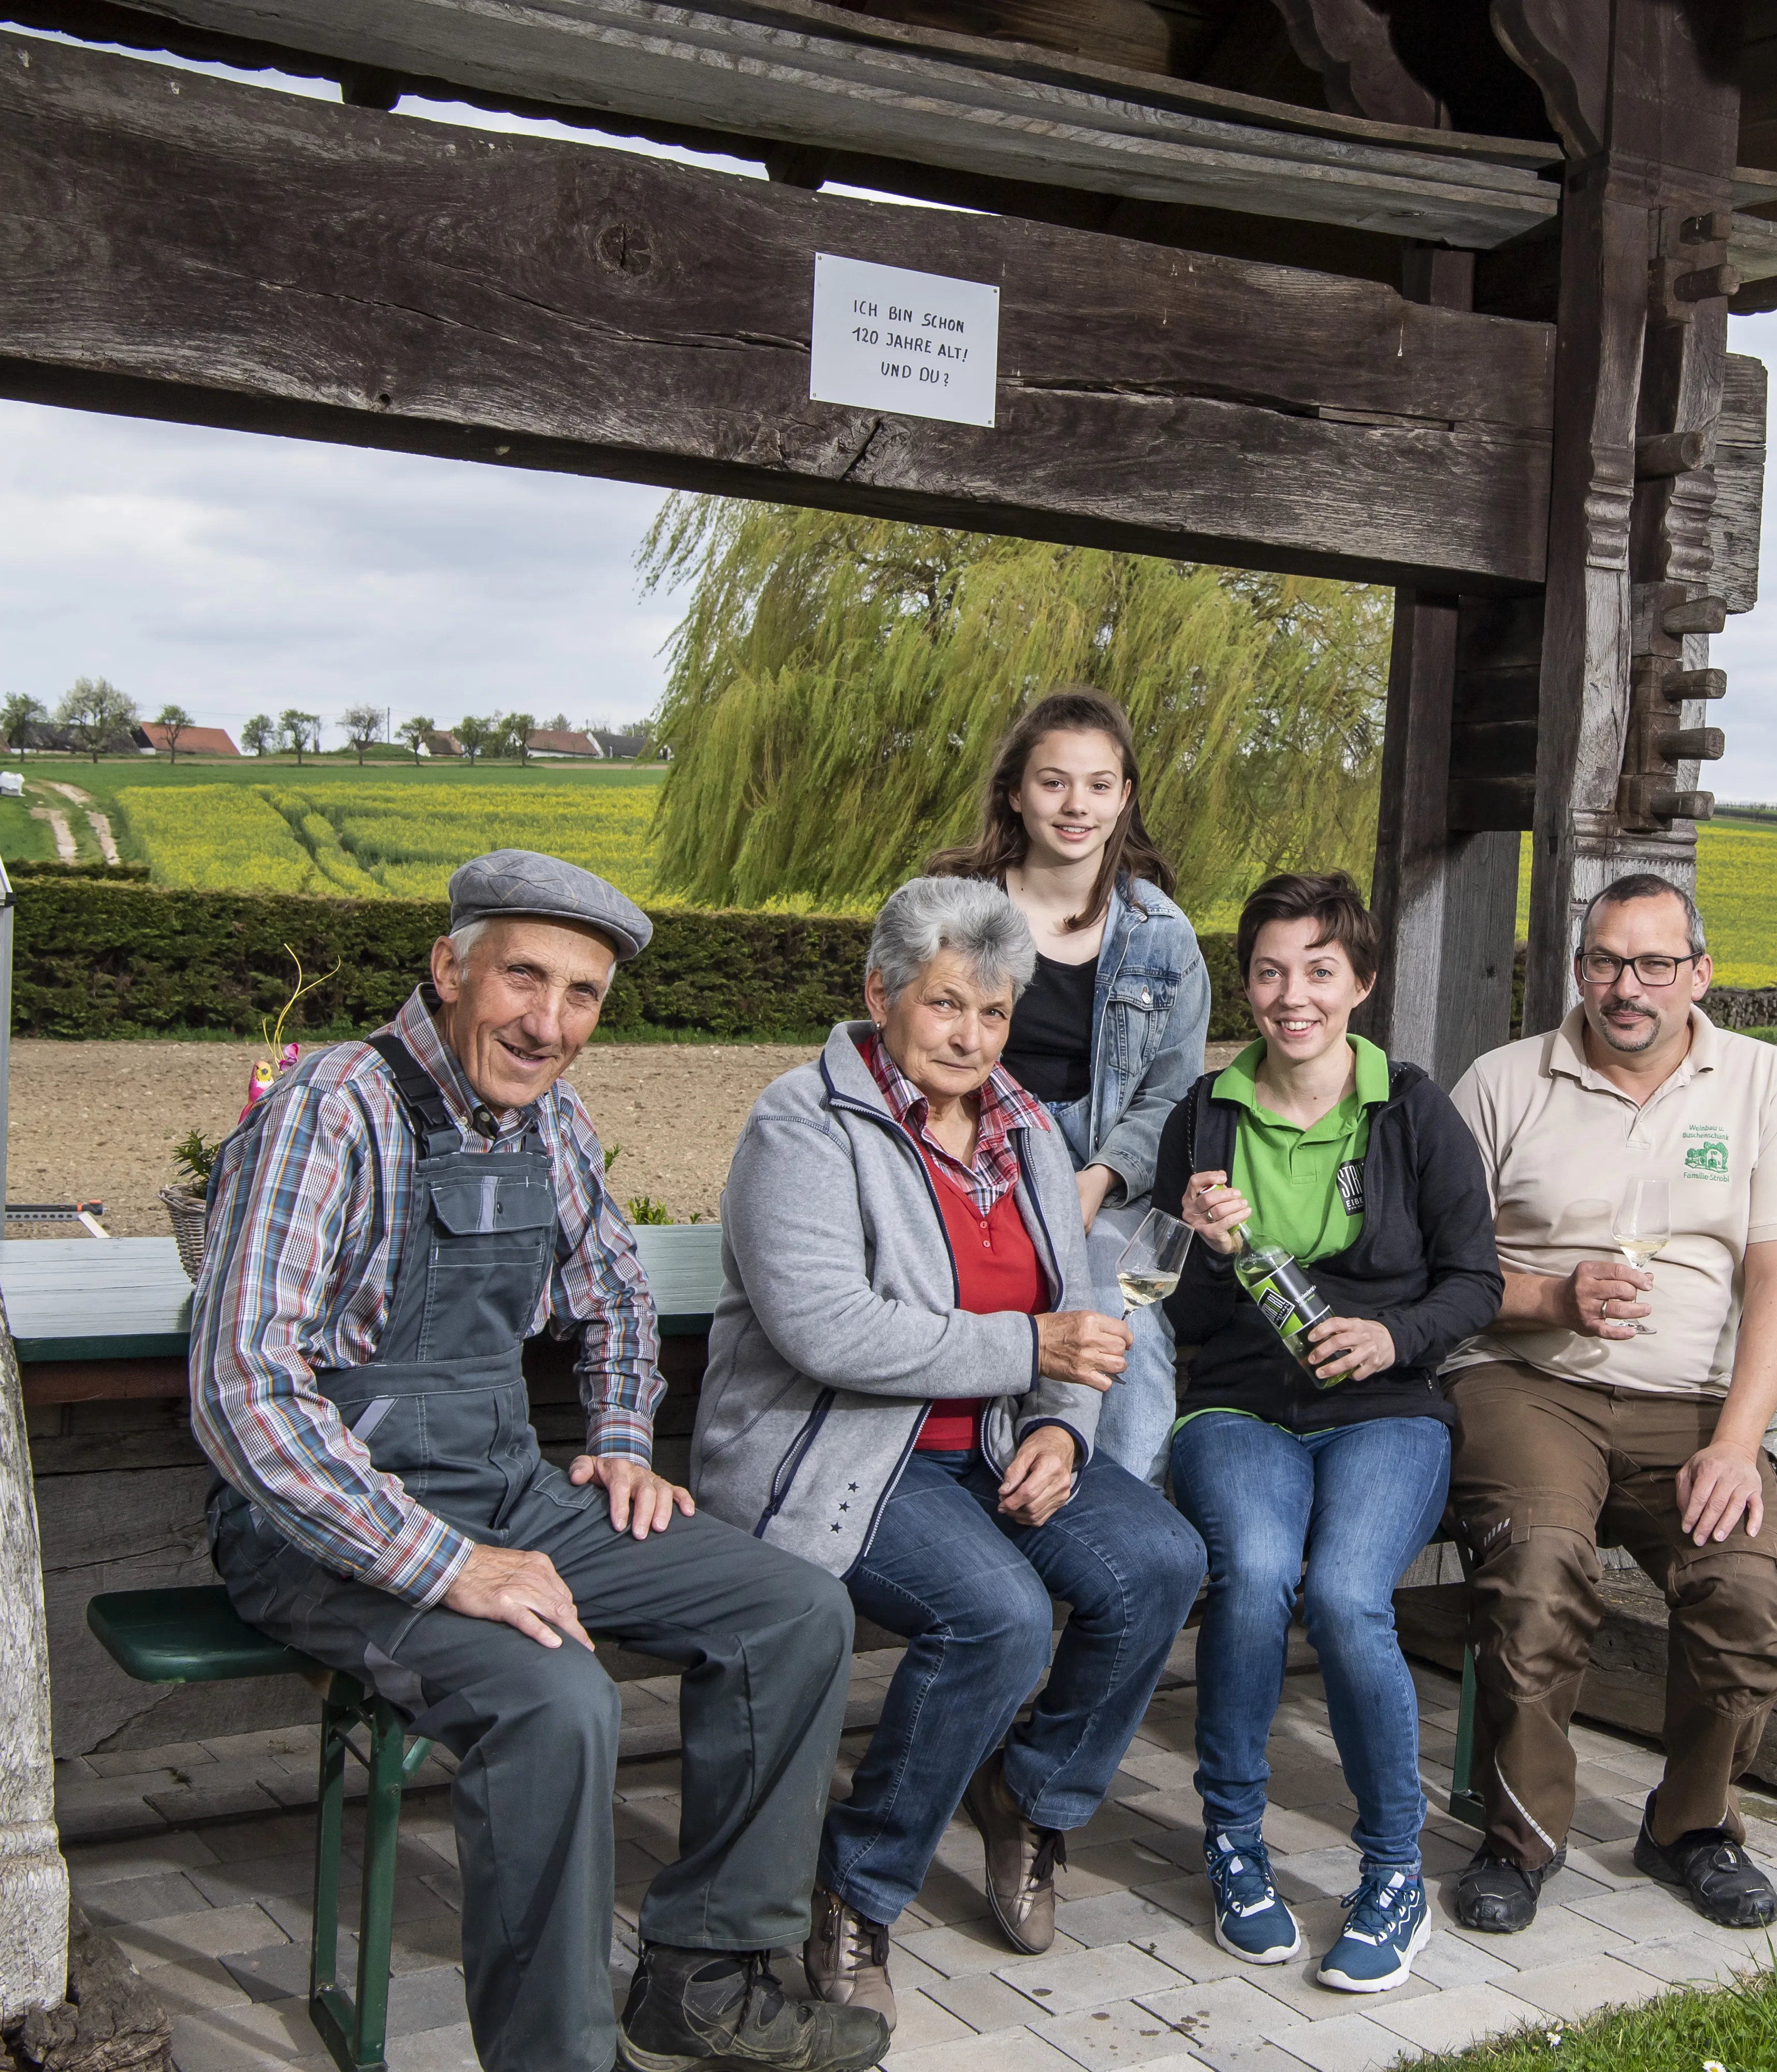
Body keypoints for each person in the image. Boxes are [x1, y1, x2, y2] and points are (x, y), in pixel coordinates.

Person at [191, 851, 876, 2072]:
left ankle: (702, 1978)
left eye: (583, 995)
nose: (549, 1021)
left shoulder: (548, 1116)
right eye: (523, 975)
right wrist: (449, 1565)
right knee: (560, 1701)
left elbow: (614, 1293)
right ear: (450, 966)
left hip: (507, 1484)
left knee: (794, 1609)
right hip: (325, 1527)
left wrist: (617, 1440)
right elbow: (242, 1388)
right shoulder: (330, 1109)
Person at [692, 876, 1207, 2026]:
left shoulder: (1022, 1120)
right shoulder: (803, 1122)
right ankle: (857, 1883)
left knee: (1161, 1561)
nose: (972, 1035)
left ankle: (1028, 1792)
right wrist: (1029, 1347)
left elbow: (1078, 1296)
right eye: (945, 1005)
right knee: (1000, 1616)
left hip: (994, 1439)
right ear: (881, 993)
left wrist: (1069, 1432)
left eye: (994, 1011)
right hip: (841, 1454)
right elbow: (829, 1327)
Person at [1440, 873, 1777, 1935]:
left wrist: (1740, 1442)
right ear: (1578, 970)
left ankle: (1691, 1825)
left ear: (1699, 971)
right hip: (1530, 1382)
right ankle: (1519, 1838)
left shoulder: (1762, 1081)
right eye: (1606, 961)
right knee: (1537, 1570)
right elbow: (1447, 1271)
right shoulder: (1504, 1081)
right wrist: (1552, 1294)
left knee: (1748, 1596)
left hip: (1696, 1401)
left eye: (1656, 963)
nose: (1628, 986)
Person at [1153, 874, 1501, 1992]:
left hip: (1387, 1407)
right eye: (1267, 969)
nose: (1289, 993)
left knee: (1349, 1593)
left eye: (1316, 969)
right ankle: (1233, 1843)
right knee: (1254, 1575)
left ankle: (1393, 1872)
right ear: (1245, 983)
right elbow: (1184, 1314)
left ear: (1360, 981)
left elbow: (1476, 1282)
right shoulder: (1204, 1116)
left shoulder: (1411, 1106)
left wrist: (1393, 1337)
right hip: (1242, 1402)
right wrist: (1204, 1248)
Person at [929, 688, 1210, 1484]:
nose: (1075, 804)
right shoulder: (951, 914)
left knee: (1126, 1329)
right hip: (968, 1166)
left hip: (1098, 1183)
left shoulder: (1163, 936)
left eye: (1098, 784)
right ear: (1015, 792)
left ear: (1125, 796)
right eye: (1053, 782)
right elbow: (911, 1052)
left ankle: (1121, 1517)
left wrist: (1098, 1179)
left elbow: (1168, 1096)